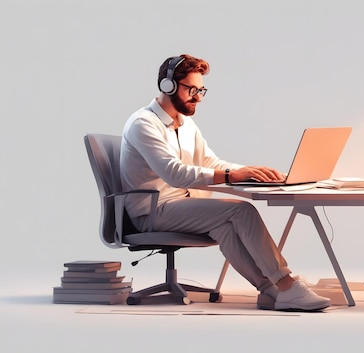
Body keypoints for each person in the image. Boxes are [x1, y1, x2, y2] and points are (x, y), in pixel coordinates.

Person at [119, 53, 331, 311]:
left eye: (201, 90)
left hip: (180, 205)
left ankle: (271, 291)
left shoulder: (185, 124)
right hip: (152, 211)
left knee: (226, 228)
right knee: (240, 210)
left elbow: (210, 162)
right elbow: (173, 173)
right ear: (168, 86)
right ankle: (287, 284)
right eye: (191, 89)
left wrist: (251, 171)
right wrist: (232, 177)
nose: (197, 97)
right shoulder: (143, 124)